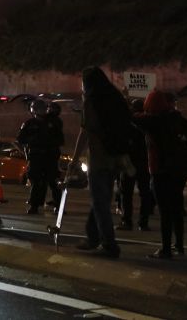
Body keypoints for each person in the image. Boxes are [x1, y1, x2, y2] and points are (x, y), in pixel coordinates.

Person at [68, 67, 134, 259]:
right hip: (116, 158)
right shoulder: (115, 98)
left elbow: (85, 132)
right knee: (101, 200)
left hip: (99, 158)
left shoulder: (91, 101)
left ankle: (109, 244)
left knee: (100, 202)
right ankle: (93, 236)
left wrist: (74, 159)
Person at [133, 90, 187, 259]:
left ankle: (166, 249)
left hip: (161, 171)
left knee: (165, 212)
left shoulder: (154, 121)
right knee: (176, 209)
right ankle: (179, 245)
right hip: (178, 171)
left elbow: (134, 118)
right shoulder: (175, 118)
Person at [17, 99, 62, 215]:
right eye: (38, 109)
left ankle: (58, 206)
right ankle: (34, 205)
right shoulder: (29, 124)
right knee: (36, 182)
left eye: (43, 108)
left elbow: (60, 140)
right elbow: (21, 139)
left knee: (54, 182)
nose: (41, 111)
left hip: (50, 156)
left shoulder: (53, 122)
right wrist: (32, 141)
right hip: (36, 156)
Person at [119, 98, 154, 231]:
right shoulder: (148, 122)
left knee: (126, 193)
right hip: (144, 163)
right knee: (144, 193)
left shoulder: (128, 123)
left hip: (130, 163)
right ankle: (143, 222)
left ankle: (127, 221)